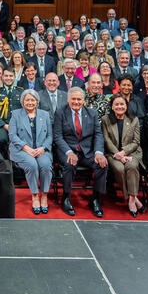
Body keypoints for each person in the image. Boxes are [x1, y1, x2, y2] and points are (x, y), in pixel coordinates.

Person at [52, 88, 109, 217]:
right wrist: (68, 152)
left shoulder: (92, 113)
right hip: (67, 150)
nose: (76, 102)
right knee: (69, 164)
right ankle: (66, 197)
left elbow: (98, 135)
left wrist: (99, 153)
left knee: (103, 164)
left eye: (79, 99)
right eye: (73, 99)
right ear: (68, 99)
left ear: (83, 100)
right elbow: (58, 137)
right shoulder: (60, 113)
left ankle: (95, 199)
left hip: (87, 152)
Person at [9, 89, 53, 214]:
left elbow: (50, 136)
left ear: (37, 101)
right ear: (22, 102)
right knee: (32, 165)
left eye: (32, 100)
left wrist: (43, 148)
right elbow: (12, 135)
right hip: (21, 149)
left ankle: (44, 194)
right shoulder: (16, 114)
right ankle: (35, 195)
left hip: (41, 149)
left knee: (45, 165)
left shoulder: (44, 115)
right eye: (27, 100)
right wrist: (26, 148)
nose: (30, 102)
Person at [102, 95, 143, 216]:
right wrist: (118, 154)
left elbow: (136, 142)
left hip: (132, 153)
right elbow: (106, 140)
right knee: (119, 168)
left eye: (122, 104)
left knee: (131, 167)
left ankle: (131, 200)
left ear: (126, 106)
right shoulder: (105, 119)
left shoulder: (133, 119)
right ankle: (133, 197)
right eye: (117, 104)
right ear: (112, 107)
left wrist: (124, 153)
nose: (119, 107)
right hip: (112, 153)